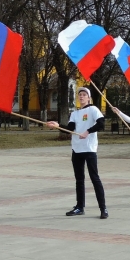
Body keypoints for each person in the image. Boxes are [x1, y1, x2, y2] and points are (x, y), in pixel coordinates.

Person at [48, 87, 108, 219]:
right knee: (79, 180)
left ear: (89, 98)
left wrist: (87, 131)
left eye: (84, 94)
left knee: (94, 178)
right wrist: (57, 126)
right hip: (77, 150)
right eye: (80, 94)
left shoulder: (93, 110)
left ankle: (103, 208)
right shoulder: (74, 113)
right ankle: (79, 207)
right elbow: (69, 129)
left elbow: (101, 124)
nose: (81, 96)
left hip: (89, 149)